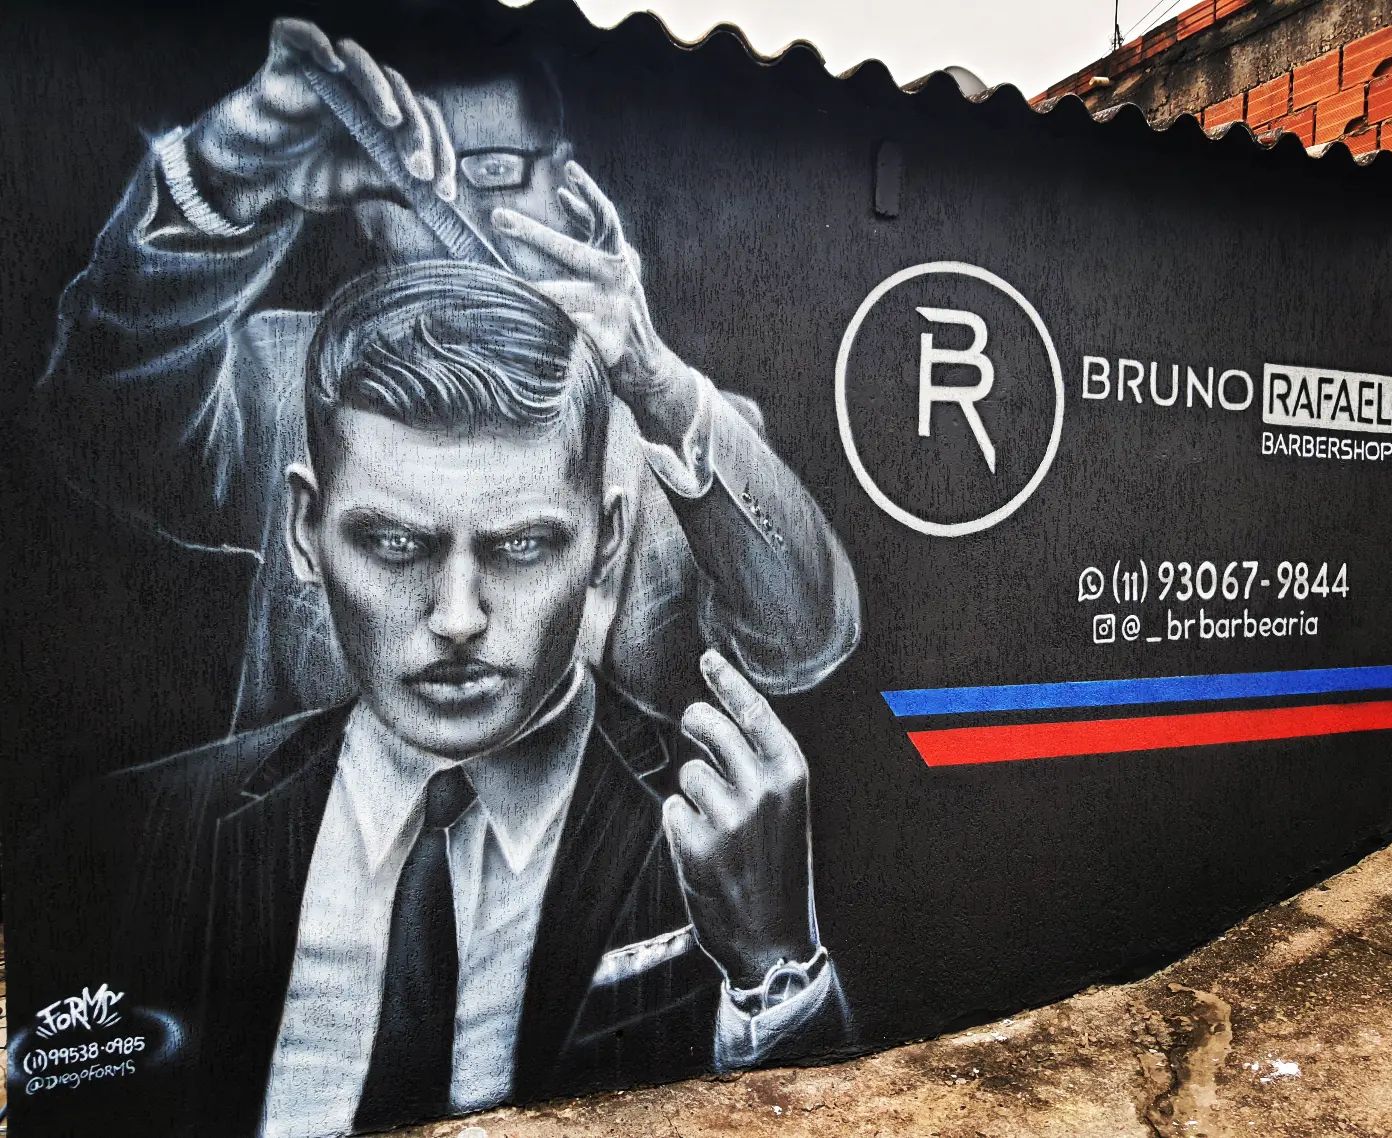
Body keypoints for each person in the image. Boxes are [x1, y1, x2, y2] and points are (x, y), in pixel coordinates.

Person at [34, 263, 847, 1138]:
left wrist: (775, 970)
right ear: (306, 530)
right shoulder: (135, 833)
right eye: (394, 543)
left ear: (607, 541)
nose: (458, 618)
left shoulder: (726, 840)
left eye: (523, 545)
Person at [34, 16, 860, 732]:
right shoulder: (277, 380)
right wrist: (220, 173)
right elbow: (100, 425)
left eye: (494, 172)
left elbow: (807, 639)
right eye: (413, 182)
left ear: (567, 183)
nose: (453, 212)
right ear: (361, 204)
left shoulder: (681, 436)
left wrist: (657, 383)